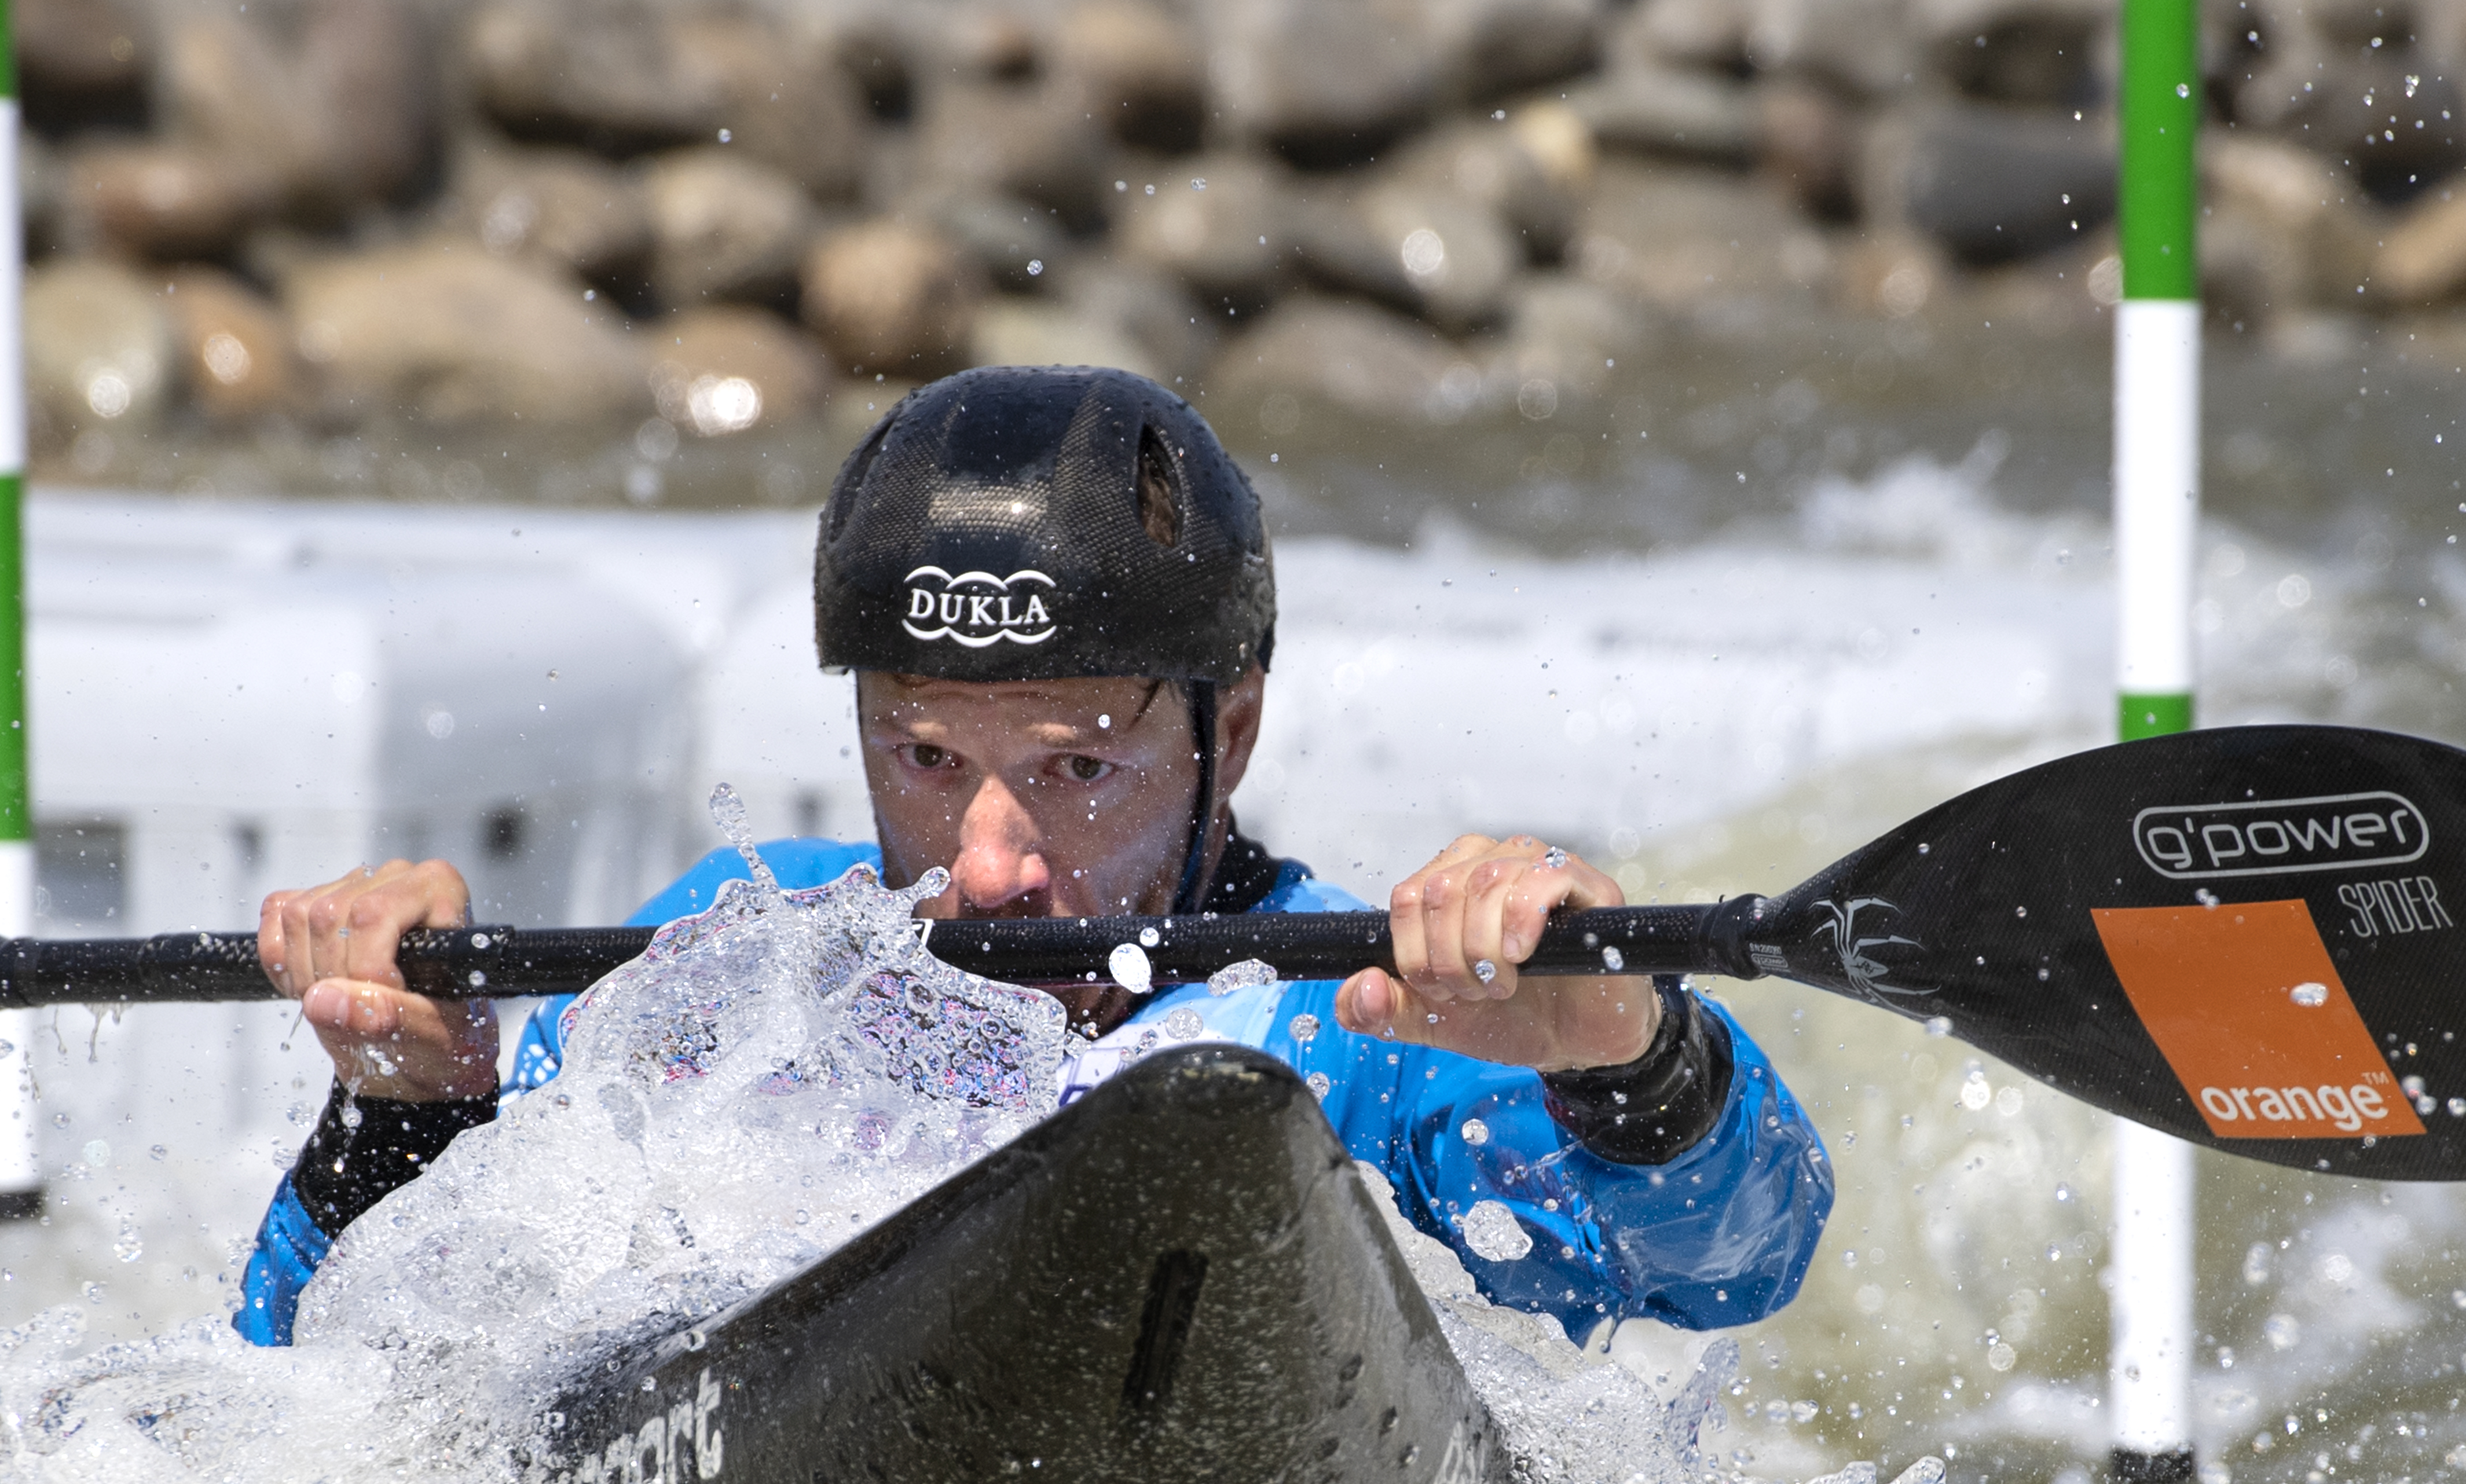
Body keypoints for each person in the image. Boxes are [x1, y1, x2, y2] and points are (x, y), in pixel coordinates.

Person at [234, 366, 1831, 1346]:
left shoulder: (1361, 1024)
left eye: (1076, 768)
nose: (991, 867)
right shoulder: (745, 958)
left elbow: (1739, 1269)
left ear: (1237, 732)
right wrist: (406, 1115)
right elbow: (310, 1369)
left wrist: (1625, 1052)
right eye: (926, 760)